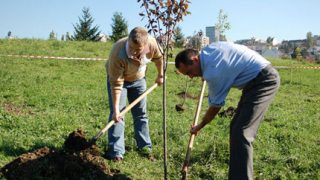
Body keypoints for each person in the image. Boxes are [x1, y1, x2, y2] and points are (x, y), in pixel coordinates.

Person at [175, 42, 280, 179]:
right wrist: (202, 72)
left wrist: (200, 126)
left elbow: (215, 107)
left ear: (195, 60)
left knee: (242, 132)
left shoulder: (213, 72)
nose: (190, 76)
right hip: (256, 79)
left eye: (189, 72)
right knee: (235, 128)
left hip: (264, 81)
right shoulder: (208, 51)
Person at [105, 27, 163, 163]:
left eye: (138, 49)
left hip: (139, 80)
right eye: (131, 47)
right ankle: (116, 153)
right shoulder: (117, 52)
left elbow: (159, 58)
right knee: (118, 115)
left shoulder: (152, 44)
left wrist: (160, 75)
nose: (133, 52)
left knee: (141, 114)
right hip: (121, 81)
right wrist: (116, 109)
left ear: (145, 44)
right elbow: (116, 84)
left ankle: (145, 148)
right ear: (128, 41)